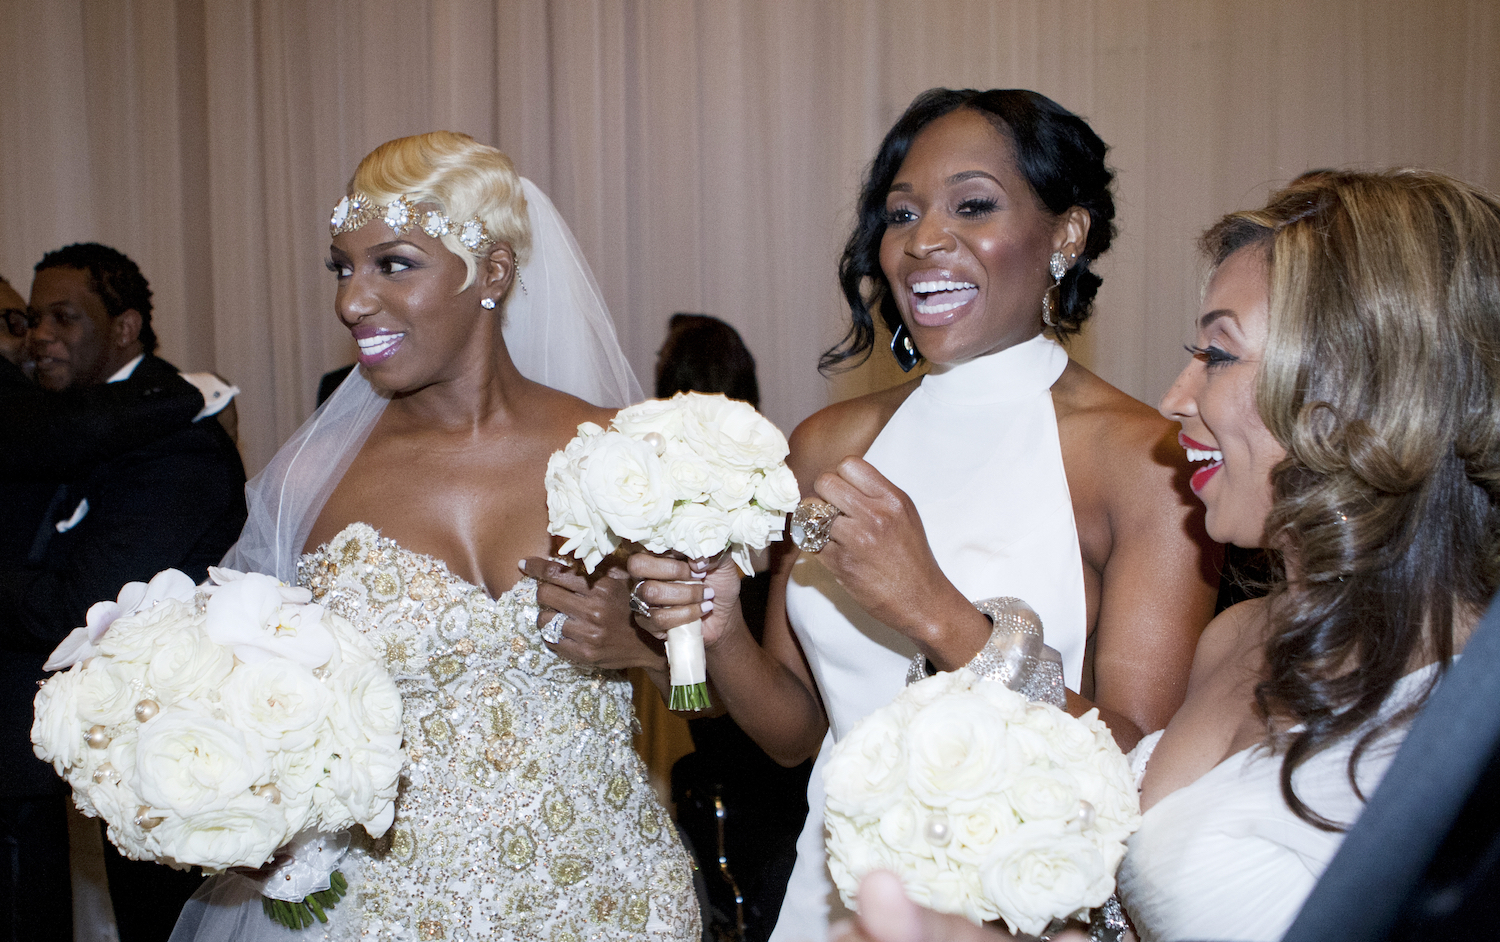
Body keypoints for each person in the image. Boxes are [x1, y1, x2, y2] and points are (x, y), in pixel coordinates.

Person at [628, 88, 1219, 940]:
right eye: (901, 214)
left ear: (1067, 234)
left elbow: (1138, 768)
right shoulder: (828, 442)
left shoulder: (1144, 461)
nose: (922, 242)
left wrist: (936, 611)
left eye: (972, 206)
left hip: (1015, 910)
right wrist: (718, 629)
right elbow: (794, 732)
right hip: (828, 901)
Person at [170, 131, 699, 941]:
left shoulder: (620, 455)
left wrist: (644, 649)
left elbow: (721, 706)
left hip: (608, 896)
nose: (352, 300)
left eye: (393, 263)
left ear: (491, 271)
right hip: (386, 911)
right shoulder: (305, 483)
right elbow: (249, 714)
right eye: (342, 267)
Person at [1118, 168, 1500, 941]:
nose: (1174, 398)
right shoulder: (1238, 633)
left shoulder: (1463, 724)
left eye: (1218, 356)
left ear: (1359, 390)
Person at [1, 245, 246, 942]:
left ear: (125, 328)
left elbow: (81, 606)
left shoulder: (178, 447)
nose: (38, 336)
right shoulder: (73, 420)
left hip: (174, 751)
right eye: (29, 319)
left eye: (63, 317)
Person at [651, 312, 813, 942]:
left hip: (750, 734)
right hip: (774, 754)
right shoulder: (778, 481)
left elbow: (700, 701)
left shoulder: (678, 496)